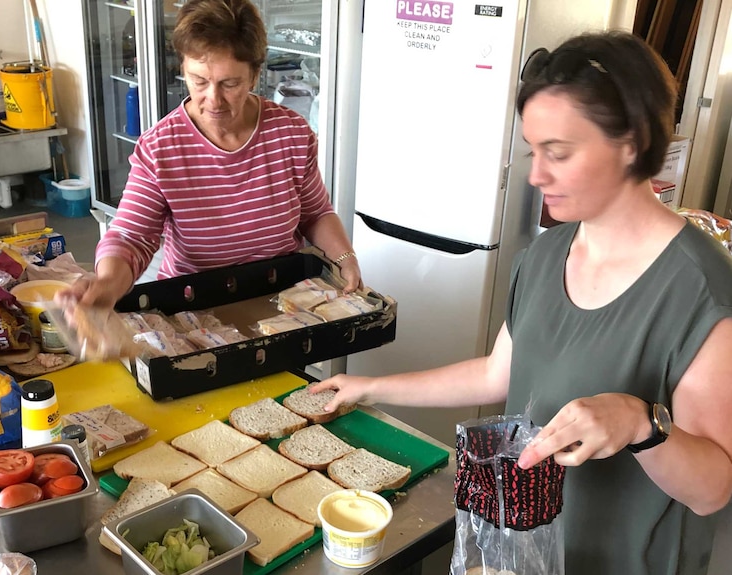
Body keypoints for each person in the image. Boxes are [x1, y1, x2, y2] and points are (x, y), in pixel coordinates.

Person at [311, 31, 732, 575]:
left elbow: (712, 490)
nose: (535, 175)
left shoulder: (702, 290)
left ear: (631, 140)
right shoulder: (544, 255)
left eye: (558, 153)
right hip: (526, 551)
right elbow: (496, 374)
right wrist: (370, 387)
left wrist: (641, 424)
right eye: (534, 151)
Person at [64, 0, 360, 308]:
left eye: (229, 84)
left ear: (255, 75)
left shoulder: (290, 134)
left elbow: (314, 213)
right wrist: (107, 284)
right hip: (195, 310)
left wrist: (345, 258)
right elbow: (131, 236)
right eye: (199, 81)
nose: (213, 100)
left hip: (282, 304)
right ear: (183, 68)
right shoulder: (161, 149)